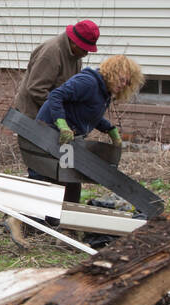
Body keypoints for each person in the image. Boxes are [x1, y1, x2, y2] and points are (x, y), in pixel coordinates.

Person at [7, 20, 100, 243]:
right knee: (41, 171)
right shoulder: (52, 53)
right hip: (33, 119)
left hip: (51, 119)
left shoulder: (73, 56)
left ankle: (51, 220)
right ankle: (23, 220)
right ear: (74, 42)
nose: (86, 54)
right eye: (85, 48)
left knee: (64, 171)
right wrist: (61, 118)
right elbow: (36, 89)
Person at [34, 54, 143, 231]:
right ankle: (34, 221)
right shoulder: (88, 82)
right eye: (122, 80)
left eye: (127, 83)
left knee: (71, 180)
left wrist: (110, 129)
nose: (123, 85)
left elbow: (88, 114)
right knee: (54, 178)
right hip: (48, 132)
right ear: (113, 72)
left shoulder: (104, 92)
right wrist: (61, 124)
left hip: (67, 138)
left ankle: (64, 222)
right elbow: (55, 96)